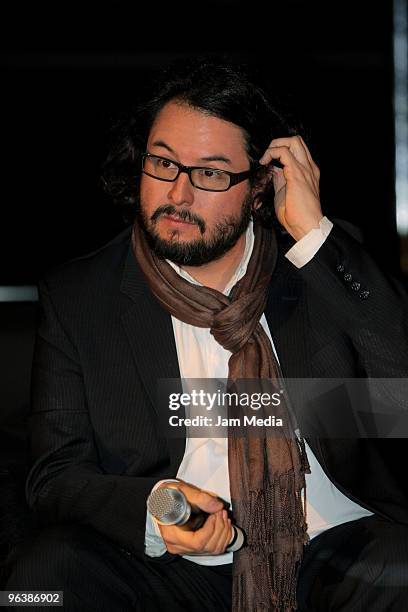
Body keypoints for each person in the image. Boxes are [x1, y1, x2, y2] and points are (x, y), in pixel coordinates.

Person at [5, 59, 408, 611]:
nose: (179, 194)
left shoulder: (320, 268)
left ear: (261, 185)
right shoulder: (82, 296)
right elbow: (53, 476)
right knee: (36, 587)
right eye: (163, 163)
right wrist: (154, 506)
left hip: (336, 552)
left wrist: (315, 234)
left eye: (212, 173)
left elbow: (400, 394)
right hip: (172, 569)